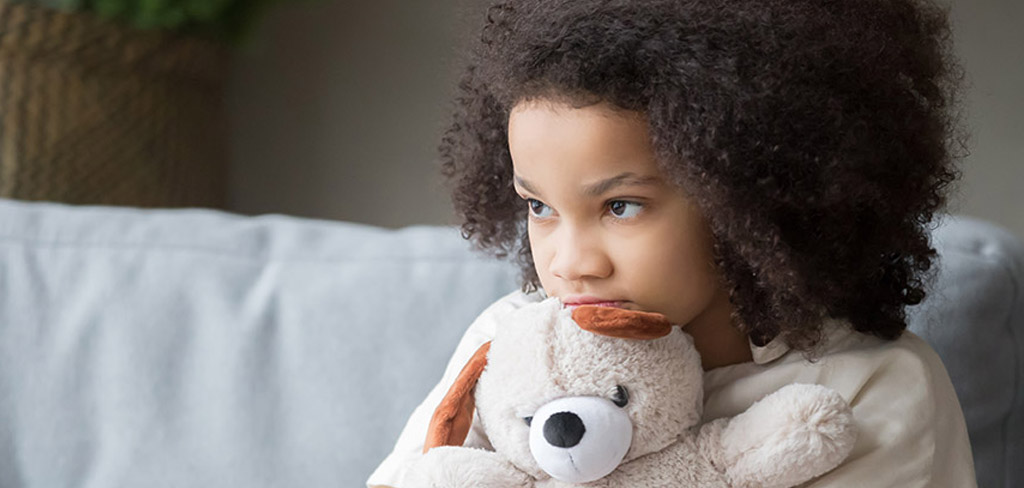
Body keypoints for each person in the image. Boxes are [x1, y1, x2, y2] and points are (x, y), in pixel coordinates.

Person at [368, 0, 976, 486]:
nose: (570, 264)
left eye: (620, 206)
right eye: (539, 207)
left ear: (747, 197)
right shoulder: (510, 345)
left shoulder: (870, 390)